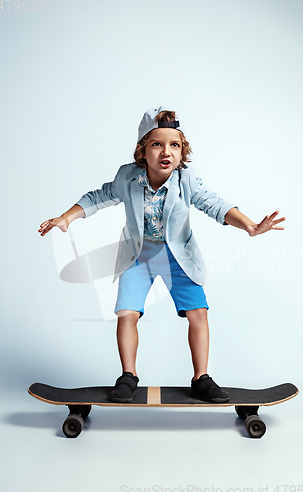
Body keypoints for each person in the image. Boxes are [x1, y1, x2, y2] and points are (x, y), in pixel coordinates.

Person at [38, 106, 285, 404]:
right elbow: (99, 196)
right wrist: (67, 218)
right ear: (143, 150)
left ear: (182, 152)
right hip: (138, 255)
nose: (166, 151)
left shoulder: (187, 180)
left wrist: (250, 226)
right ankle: (128, 377)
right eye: (157, 144)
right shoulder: (127, 177)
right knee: (127, 314)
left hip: (178, 256)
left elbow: (215, 204)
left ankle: (201, 379)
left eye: (174, 145)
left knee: (198, 313)